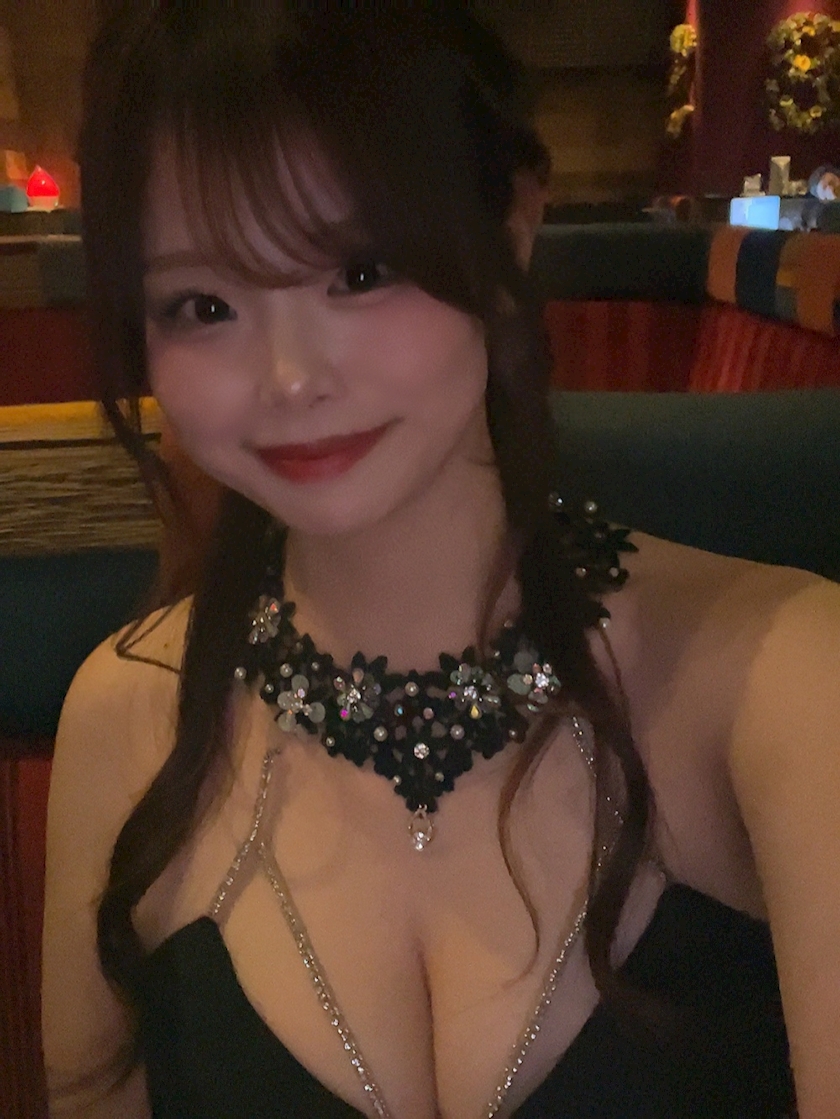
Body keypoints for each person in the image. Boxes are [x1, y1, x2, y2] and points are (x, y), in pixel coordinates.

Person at [42, 6, 840, 1118]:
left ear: (511, 227)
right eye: (204, 305)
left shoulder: (786, 679)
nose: (289, 378)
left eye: (361, 270)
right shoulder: (125, 717)